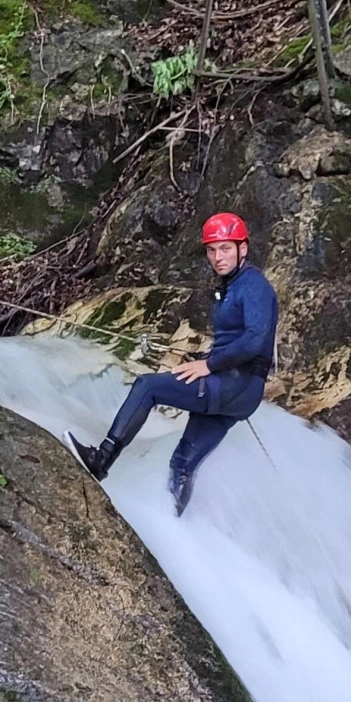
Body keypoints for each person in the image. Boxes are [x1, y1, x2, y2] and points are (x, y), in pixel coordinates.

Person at [66, 212, 278, 515]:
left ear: (243, 248)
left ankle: (101, 460)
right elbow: (239, 339)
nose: (218, 257)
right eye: (211, 250)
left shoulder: (254, 287)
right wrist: (208, 361)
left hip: (233, 383)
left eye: (226, 248)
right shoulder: (232, 286)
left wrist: (209, 364)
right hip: (238, 390)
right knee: (182, 464)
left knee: (148, 387)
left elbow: (256, 339)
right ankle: (172, 521)